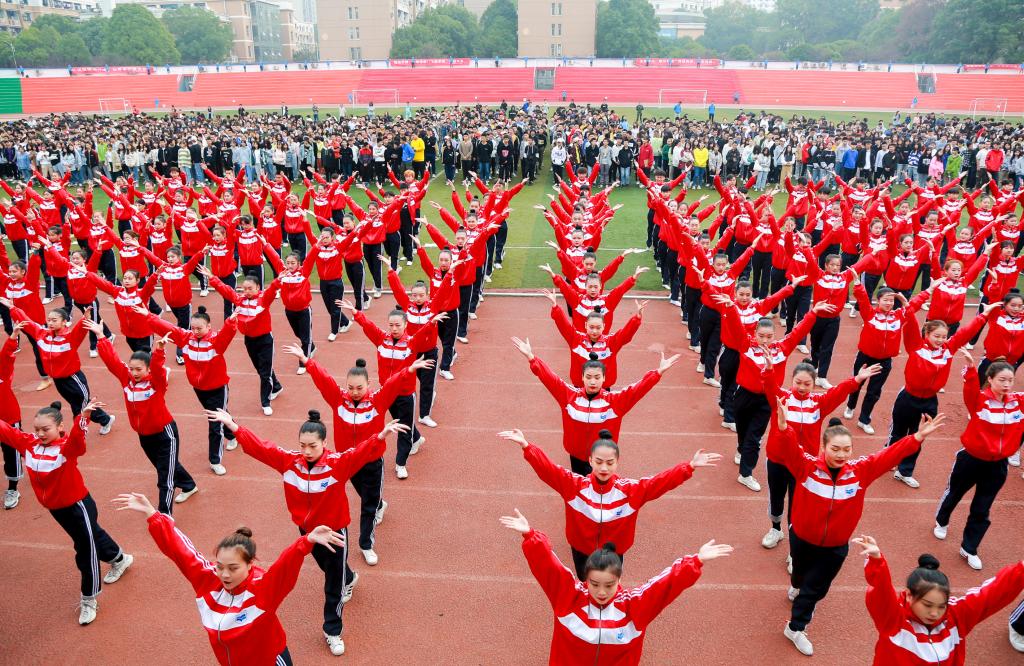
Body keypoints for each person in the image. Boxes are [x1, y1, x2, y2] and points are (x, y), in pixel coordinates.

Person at [206, 409, 407, 657]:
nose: (307, 451)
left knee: (333, 583)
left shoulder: (337, 464)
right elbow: (261, 448)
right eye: (303, 446)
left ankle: (332, 631)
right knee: (333, 570)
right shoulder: (290, 463)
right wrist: (234, 426)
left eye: (312, 446)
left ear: (324, 443)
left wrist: (380, 436)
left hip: (333, 533)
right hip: (307, 531)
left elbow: (359, 453)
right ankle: (349, 577)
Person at [773, 399, 947, 656]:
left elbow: (888, 456)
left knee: (815, 589)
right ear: (823, 448)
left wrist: (917, 437)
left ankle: (796, 627)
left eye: (846, 449)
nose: (841, 455)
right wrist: (784, 427)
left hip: (834, 547)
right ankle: (797, 585)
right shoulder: (806, 467)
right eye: (835, 449)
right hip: (801, 537)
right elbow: (789, 449)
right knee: (799, 576)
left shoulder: (860, 471)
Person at [113, 492, 344, 665]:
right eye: (220, 566)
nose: (224, 574)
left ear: (250, 564)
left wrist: (307, 541)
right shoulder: (207, 580)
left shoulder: (263, 590)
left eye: (233, 568)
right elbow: (182, 552)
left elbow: (285, 566)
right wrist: (154, 515)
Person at [499, 508, 732, 665]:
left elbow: (665, 584)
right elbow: (549, 566)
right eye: (594, 584)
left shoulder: (635, 607)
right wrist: (530, 535)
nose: (601, 592)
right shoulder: (568, 597)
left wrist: (697, 560)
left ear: (620, 580)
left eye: (609, 585)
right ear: (585, 579)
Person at [500, 427, 720, 579]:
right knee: (585, 582)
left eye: (609, 462)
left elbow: (659, 482)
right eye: (599, 462)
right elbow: (549, 470)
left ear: (617, 462)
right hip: (581, 549)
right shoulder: (574, 486)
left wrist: (689, 467)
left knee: (608, 583)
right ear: (589, 461)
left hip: (614, 552)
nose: (604, 468)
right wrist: (527, 447)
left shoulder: (631, 490)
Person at [0, 401, 132, 625]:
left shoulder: (65, 448)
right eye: (37, 429)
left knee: (85, 549)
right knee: (92, 536)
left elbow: (78, 443)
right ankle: (120, 558)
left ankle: (89, 598)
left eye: (46, 429)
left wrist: (84, 418)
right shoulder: (28, 444)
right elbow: (6, 430)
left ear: (60, 428)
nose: (40, 434)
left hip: (78, 506)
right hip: (56, 509)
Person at [512, 337, 677, 475]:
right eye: (589, 377)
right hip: (576, 454)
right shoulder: (568, 396)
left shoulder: (615, 401)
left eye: (597, 377)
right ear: (582, 377)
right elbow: (550, 379)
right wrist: (532, 358)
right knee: (580, 490)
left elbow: (636, 390)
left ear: (604, 379)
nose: (592, 381)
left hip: (602, 458)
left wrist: (658, 373)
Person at [853, 535, 1024, 664]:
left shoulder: (956, 617)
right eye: (927, 605)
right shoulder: (894, 621)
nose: (934, 613)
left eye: (941, 606)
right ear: (909, 596)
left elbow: (992, 594)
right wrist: (877, 562)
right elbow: (882, 593)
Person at [88, 324, 197, 513]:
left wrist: (159, 351)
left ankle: (165, 516)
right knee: (165, 467)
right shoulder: (126, 379)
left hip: (165, 434)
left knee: (165, 478)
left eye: (139, 369)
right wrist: (100, 336)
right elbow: (112, 361)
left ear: (148, 370)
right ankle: (189, 485)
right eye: (131, 369)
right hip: (144, 435)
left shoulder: (156, 383)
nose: (134, 373)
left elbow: (158, 370)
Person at [886, 302, 993, 488]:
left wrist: (983, 315)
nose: (940, 339)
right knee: (898, 434)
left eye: (944, 336)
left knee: (919, 436)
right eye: (936, 336)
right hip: (908, 398)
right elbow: (910, 327)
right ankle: (889, 459)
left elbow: (965, 332)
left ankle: (904, 471)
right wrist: (909, 309)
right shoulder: (916, 346)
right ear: (926, 334)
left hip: (929, 402)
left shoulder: (948, 350)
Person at [933, 352, 1023, 569]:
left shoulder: (1019, 402)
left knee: (982, 507)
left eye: (1010, 380)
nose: (1007, 384)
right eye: (1002, 380)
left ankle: (969, 547)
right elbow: (970, 390)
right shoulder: (979, 400)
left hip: (997, 466)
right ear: (990, 379)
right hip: (971, 459)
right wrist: (972, 369)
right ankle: (942, 520)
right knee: (955, 493)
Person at [141, 304, 237, 475]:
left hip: (217, 388)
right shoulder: (186, 338)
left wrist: (231, 322)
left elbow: (227, 334)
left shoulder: (216, 342)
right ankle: (233, 432)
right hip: (198, 387)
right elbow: (168, 328)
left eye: (199, 328)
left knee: (214, 423)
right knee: (218, 414)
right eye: (193, 328)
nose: (196, 331)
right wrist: (148, 316)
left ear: (209, 327)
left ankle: (215, 460)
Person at [2, 301, 116, 431]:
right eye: (49, 320)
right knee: (78, 405)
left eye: (54, 320)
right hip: (58, 380)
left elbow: (79, 330)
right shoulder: (41, 334)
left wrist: (85, 318)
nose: (50, 323)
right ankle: (105, 419)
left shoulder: (70, 338)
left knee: (80, 408)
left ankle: (81, 432)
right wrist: (13, 308)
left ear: (64, 322)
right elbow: (27, 322)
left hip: (74, 379)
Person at [204, 268, 283, 415]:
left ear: (258, 288)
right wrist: (212, 277)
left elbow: (272, 291)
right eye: (244, 288)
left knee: (264, 373)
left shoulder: (263, 300)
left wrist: (278, 280)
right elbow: (226, 290)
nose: (246, 291)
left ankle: (265, 402)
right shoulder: (240, 300)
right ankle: (276, 386)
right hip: (249, 340)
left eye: (250, 288)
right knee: (260, 369)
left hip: (265, 340)